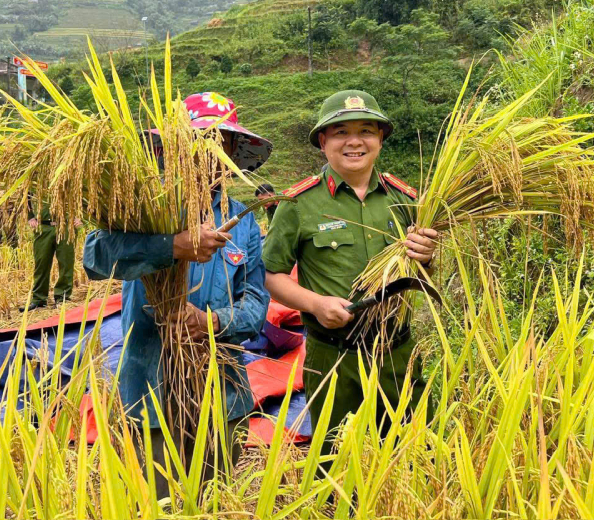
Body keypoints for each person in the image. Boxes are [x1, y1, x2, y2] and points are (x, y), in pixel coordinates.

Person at [83, 91, 273, 497]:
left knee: (215, 495)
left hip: (222, 391)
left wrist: (211, 322)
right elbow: (94, 258)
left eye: (215, 142)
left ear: (233, 149)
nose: (204, 155)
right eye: (193, 143)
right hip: (150, 388)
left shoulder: (242, 221)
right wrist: (171, 246)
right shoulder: (141, 209)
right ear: (172, 150)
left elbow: (256, 304)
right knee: (160, 499)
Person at [262, 90, 437, 458]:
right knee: (338, 460)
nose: (354, 141)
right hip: (334, 357)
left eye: (366, 131)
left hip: (398, 352)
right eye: (340, 132)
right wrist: (315, 303)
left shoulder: (405, 198)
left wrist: (428, 257)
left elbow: (426, 269)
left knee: (414, 453)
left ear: (380, 140)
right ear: (323, 142)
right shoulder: (298, 204)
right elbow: (271, 275)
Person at [20, 201, 79, 312]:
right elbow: (25, 196)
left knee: (66, 263)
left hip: (66, 226)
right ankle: (38, 299)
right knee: (41, 263)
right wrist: (30, 217)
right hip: (43, 227)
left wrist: (79, 216)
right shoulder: (35, 183)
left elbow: (81, 193)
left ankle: (63, 298)